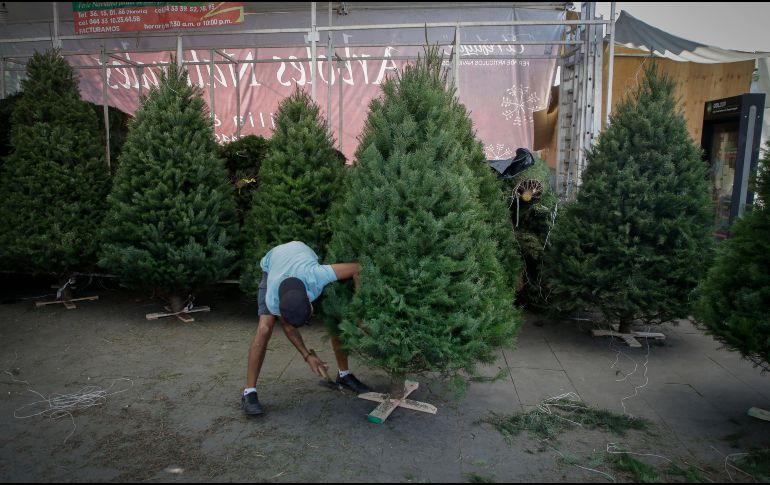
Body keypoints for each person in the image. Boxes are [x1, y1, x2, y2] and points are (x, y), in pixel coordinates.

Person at [243, 240, 371, 416]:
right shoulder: (273, 299)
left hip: (300, 252)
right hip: (272, 265)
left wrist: (359, 314)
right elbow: (288, 328)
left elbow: (358, 267)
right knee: (264, 328)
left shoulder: (317, 275)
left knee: (336, 312)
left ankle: (344, 375)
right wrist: (307, 356)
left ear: (310, 301)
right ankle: (249, 392)